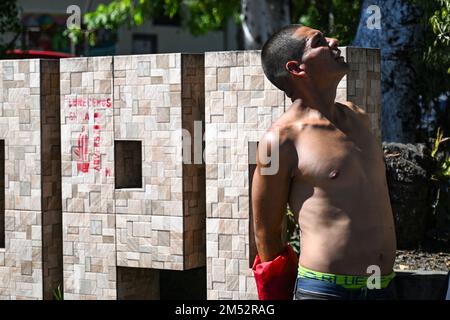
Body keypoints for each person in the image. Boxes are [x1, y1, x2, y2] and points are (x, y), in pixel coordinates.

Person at [251, 24, 397, 300]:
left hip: (383, 287)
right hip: (325, 292)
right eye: (319, 41)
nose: (334, 40)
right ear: (296, 68)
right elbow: (267, 234)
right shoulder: (279, 141)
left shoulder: (358, 117)